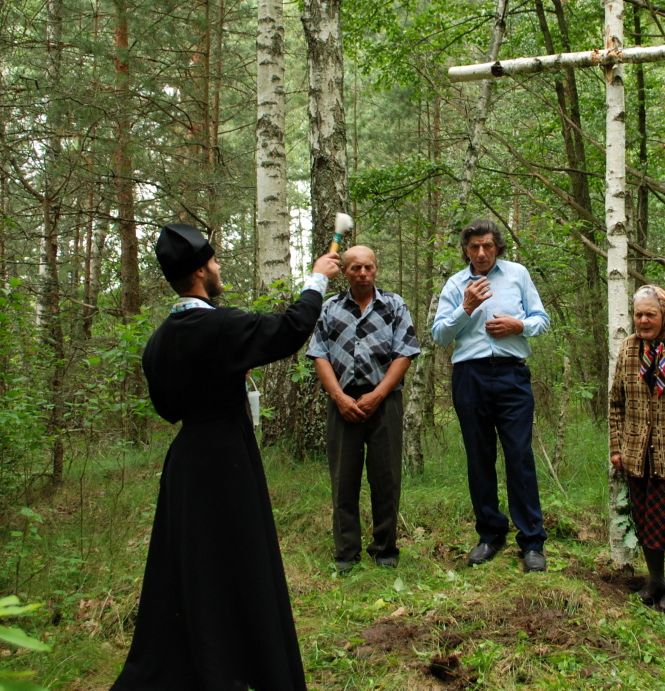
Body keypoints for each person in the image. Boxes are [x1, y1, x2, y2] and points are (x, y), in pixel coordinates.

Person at [111, 222, 341, 691]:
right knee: (238, 564)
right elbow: (288, 329)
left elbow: (168, 408)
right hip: (226, 463)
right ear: (199, 272)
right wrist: (317, 279)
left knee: (191, 569)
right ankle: (239, 668)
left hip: (186, 466)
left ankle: (197, 664)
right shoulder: (216, 325)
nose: (218, 269)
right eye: (214, 262)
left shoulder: (157, 342)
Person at [430, 218, 551, 572]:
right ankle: (489, 535)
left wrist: (520, 326)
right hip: (470, 376)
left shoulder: (517, 275)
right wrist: (465, 308)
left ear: (497, 245)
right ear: (465, 250)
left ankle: (531, 542)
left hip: (513, 374)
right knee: (479, 458)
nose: (481, 253)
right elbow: (439, 335)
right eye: (473, 247)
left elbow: (541, 319)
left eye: (487, 246)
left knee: (519, 457)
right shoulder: (456, 284)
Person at [307, 245, 420, 573]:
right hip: (343, 403)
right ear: (344, 272)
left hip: (385, 403)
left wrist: (379, 394)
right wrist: (340, 398)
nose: (363, 273)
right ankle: (346, 553)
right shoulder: (330, 308)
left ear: (376, 268)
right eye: (355, 268)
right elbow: (319, 354)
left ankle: (385, 548)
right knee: (344, 479)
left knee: (386, 477)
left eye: (368, 267)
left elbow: (405, 353)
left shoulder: (394, 305)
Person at [609, 285, 665, 613]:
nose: (644, 320)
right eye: (638, 314)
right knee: (644, 519)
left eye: (651, 314)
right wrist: (616, 448)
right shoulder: (629, 348)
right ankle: (655, 580)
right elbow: (616, 401)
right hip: (636, 451)